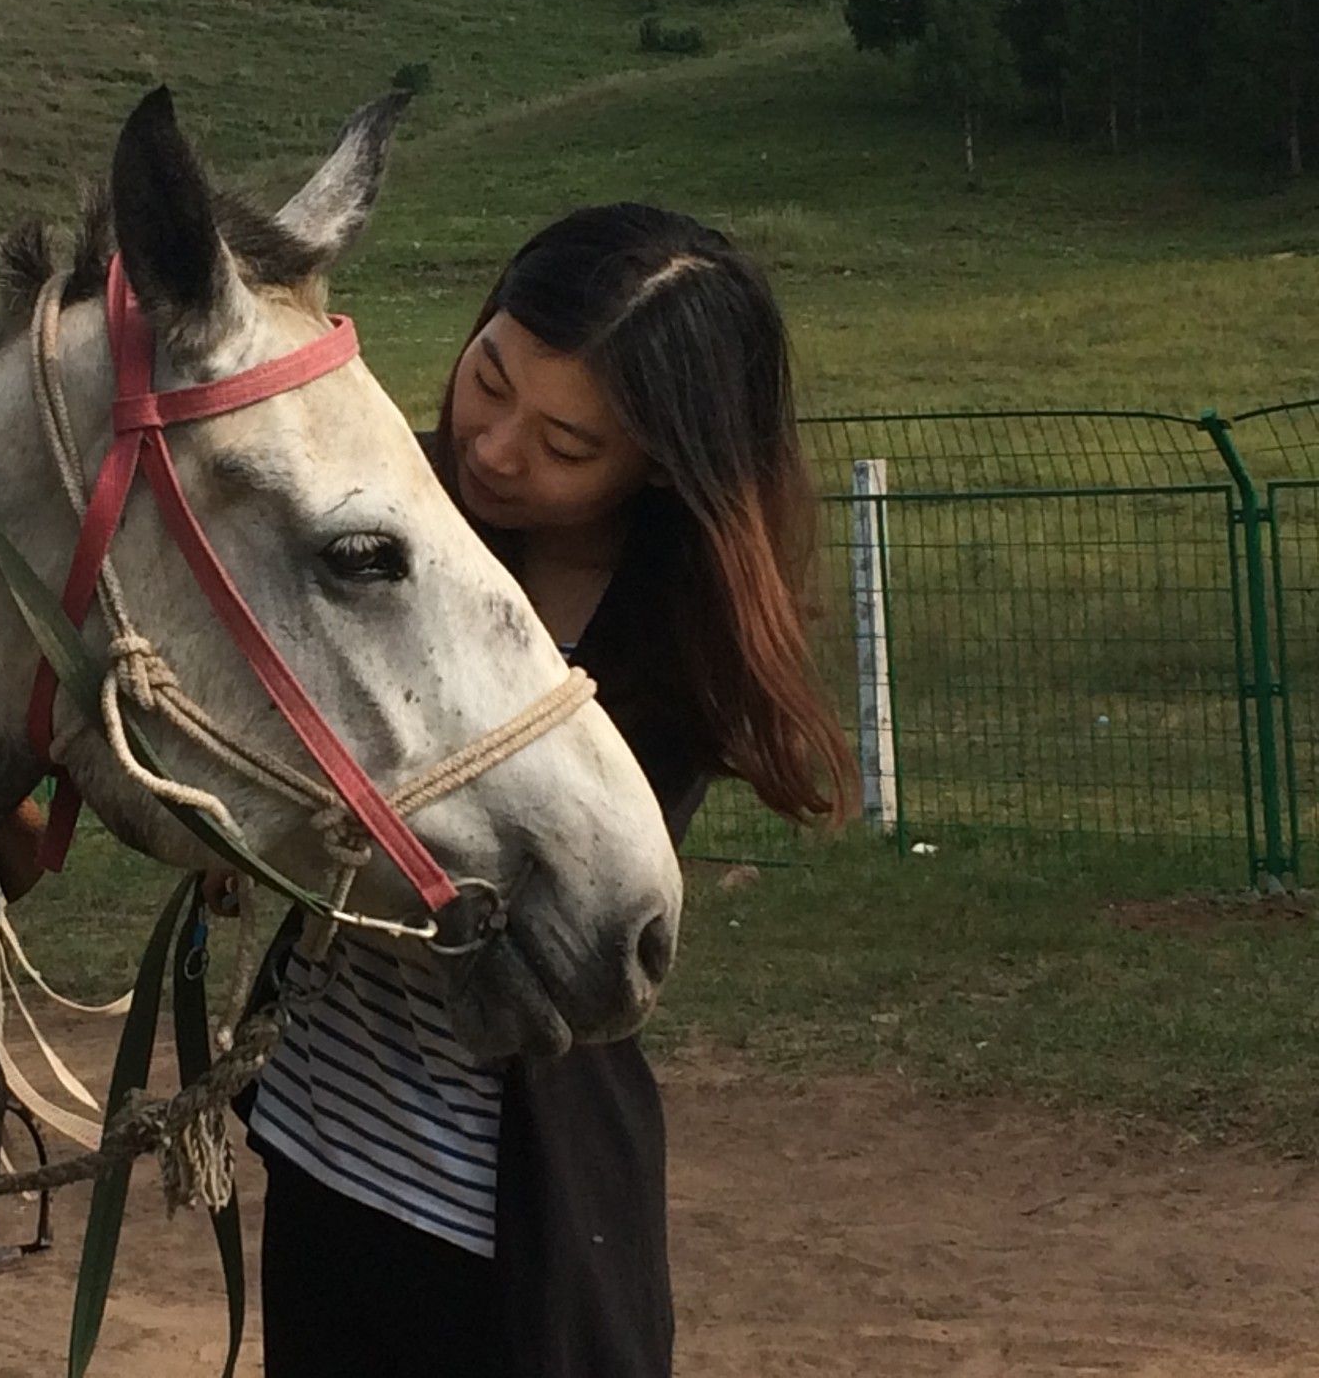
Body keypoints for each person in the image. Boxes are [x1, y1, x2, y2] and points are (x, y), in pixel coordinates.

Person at [228, 203, 858, 1378]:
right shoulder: (384, 517)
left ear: (664, 467)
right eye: (488, 377)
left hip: (506, 1208)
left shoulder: (675, 648)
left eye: (568, 446)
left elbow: (523, 909)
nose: (494, 448)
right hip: (327, 1144)